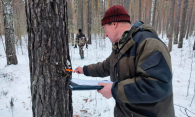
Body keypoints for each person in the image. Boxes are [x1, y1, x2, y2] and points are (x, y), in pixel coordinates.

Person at [74, 5, 175, 117]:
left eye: (105, 28)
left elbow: (156, 85)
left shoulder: (148, 43)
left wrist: (114, 90)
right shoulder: (121, 47)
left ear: (114, 24)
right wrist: (84, 70)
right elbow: (104, 67)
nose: (106, 34)